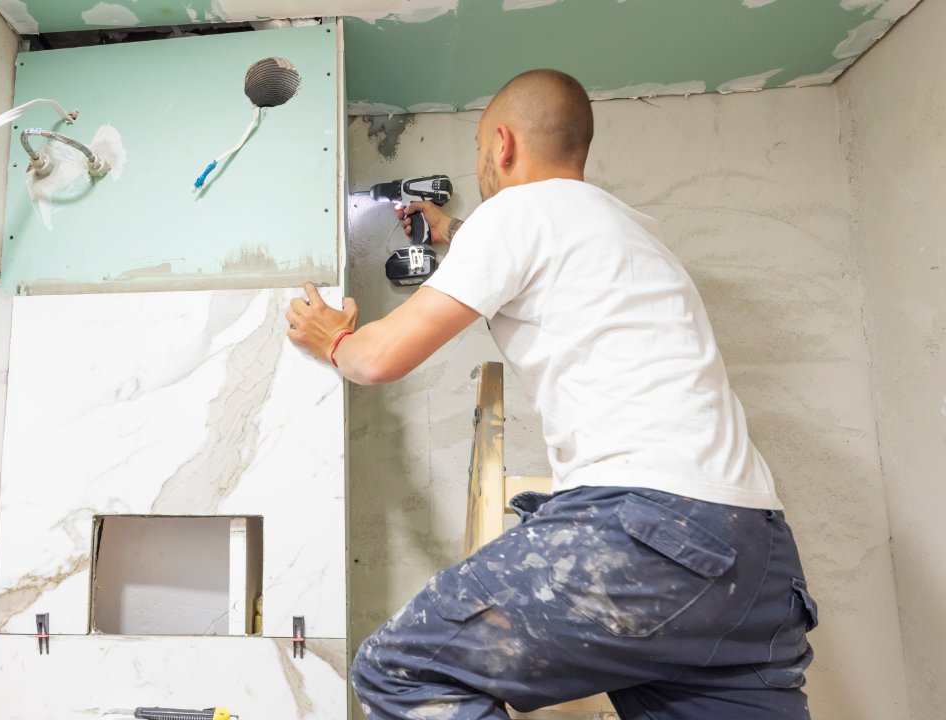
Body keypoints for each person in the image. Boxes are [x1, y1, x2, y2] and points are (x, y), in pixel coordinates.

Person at [285, 70, 818, 720]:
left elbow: (377, 359)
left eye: (480, 147)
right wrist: (452, 230)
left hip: (651, 534)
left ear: (501, 144)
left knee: (404, 669)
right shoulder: (628, 231)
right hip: (755, 561)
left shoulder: (516, 213)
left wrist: (334, 338)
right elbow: (533, 249)